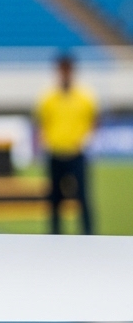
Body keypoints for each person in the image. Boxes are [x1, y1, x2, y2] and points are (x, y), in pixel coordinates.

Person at [34, 54, 98, 235]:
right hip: (55, 153)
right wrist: (43, 142)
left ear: (72, 71)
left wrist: (87, 139)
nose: (65, 74)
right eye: (62, 70)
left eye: (67, 70)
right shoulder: (48, 98)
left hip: (76, 154)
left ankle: (88, 234)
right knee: (54, 199)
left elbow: (94, 120)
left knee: (83, 197)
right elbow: (42, 123)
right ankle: (55, 235)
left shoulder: (85, 97)